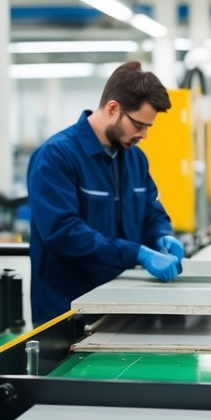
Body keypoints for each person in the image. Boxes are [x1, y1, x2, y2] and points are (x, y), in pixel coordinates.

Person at [28, 61, 183, 324]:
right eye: (138, 125)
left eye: (149, 127)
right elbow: (64, 233)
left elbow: (150, 209)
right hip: (68, 311)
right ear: (113, 108)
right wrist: (137, 253)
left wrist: (161, 235)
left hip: (124, 302)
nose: (144, 134)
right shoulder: (56, 157)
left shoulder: (135, 159)